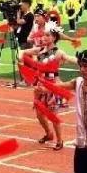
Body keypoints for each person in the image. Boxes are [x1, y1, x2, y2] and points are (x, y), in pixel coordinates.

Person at [23, 21, 77, 150]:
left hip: (52, 86)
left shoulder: (58, 52)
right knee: (39, 114)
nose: (44, 37)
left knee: (53, 115)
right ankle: (49, 133)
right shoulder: (39, 50)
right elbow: (24, 53)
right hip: (39, 86)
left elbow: (70, 58)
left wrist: (80, 60)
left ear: (54, 38)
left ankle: (60, 140)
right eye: (44, 35)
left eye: (47, 35)